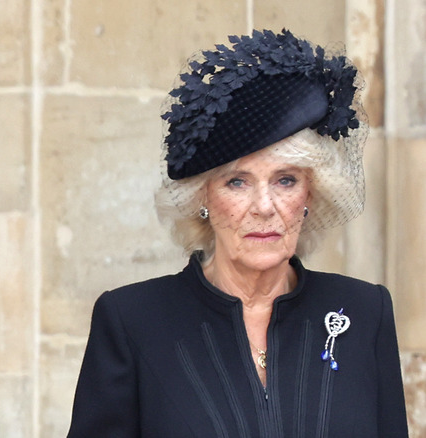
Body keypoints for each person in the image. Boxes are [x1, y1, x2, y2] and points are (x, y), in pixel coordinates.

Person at [67, 29, 408, 437]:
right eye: (237, 182)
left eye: (285, 180)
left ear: (310, 195)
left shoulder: (365, 311)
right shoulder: (132, 321)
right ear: (202, 198)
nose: (264, 206)